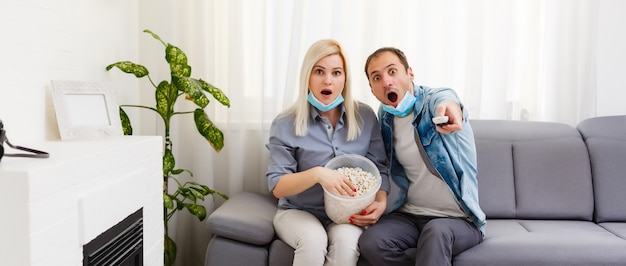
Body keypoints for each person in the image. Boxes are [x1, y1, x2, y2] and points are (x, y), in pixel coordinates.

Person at [266, 39, 390, 266]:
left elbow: (379, 169)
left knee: (347, 245)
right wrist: (318, 174)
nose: (327, 80)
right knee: (313, 241)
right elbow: (278, 186)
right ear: (307, 76)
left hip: (347, 214)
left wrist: (380, 202)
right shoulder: (285, 123)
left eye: (336, 72)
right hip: (298, 212)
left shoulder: (365, 116)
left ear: (345, 78)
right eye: (319, 71)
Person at [358, 47, 486, 266]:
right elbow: (380, 163)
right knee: (371, 242)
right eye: (377, 77)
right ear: (372, 89)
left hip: (458, 219)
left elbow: (447, 99)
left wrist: (451, 110)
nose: (386, 82)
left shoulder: (432, 101)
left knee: (437, 232)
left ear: (410, 73)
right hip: (410, 215)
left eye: (392, 71)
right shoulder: (386, 116)